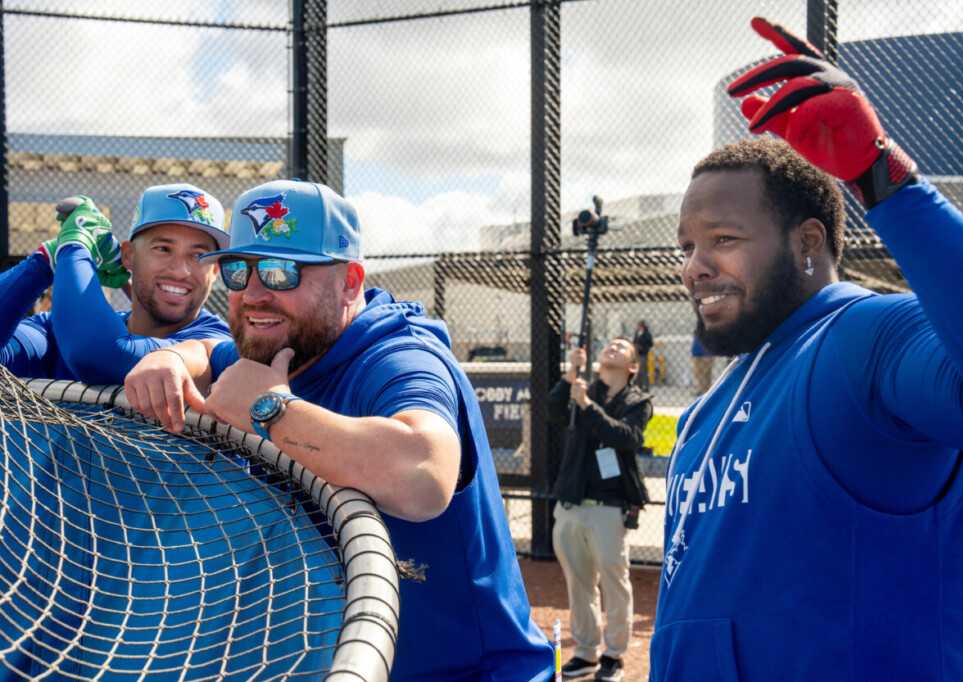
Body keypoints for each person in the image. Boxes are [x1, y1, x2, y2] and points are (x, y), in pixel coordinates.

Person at [651, 17, 963, 681]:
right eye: (687, 246)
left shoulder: (863, 337)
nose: (694, 266)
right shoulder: (704, 415)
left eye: (724, 240)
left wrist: (879, 174)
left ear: (808, 241)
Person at [123, 179, 555, 681]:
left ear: (350, 282)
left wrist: (270, 410)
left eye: (284, 272)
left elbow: (423, 474)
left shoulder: (397, 356)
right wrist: (173, 357)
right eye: (239, 271)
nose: (254, 294)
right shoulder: (279, 345)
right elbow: (210, 353)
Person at [0, 184, 232, 382]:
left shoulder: (215, 343)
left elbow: (97, 354)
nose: (181, 271)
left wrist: (74, 249)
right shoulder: (55, 331)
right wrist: (45, 261)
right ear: (128, 256)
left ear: (215, 270)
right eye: (163, 249)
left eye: (197, 255)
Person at [547, 337, 651, 682]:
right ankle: (588, 652)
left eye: (622, 347)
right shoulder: (580, 388)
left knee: (614, 582)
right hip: (572, 502)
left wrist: (589, 406)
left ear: (632, 366)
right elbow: (553, 410)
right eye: (609, 344)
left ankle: (614, 655)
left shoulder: (638, 402)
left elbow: (626, 436)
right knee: (579, 583)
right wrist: (568, 376)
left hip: (610, 506)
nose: (612, 347)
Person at [632, 321, 653, 390]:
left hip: (643, 354)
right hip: (638, 354)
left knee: (644, 370)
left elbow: (650, 343)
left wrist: (643, 347)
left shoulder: (646, 334)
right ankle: (639, 386)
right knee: (638, 371)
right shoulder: (637, 333)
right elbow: (634, 341)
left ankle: (646, 386)